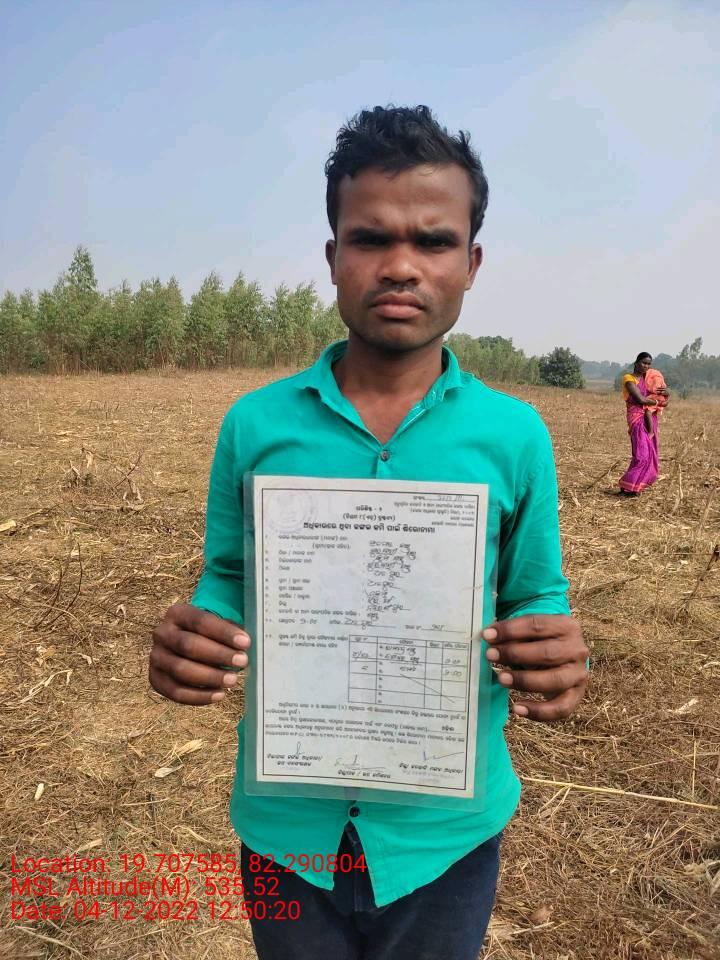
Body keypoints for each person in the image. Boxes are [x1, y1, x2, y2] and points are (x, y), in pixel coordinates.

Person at [149, 105, 589, 960]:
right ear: (332, 257)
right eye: (369, 238)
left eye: (433, 241)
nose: (400, 266)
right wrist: (196, 636)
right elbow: (229, 575)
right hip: (287, 831)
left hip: (445, 833)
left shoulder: (515, 436)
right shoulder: (255, 425)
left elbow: (536, 592)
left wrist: (555, 653)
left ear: (471, 262)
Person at [618, 352, 670, 495]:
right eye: (643, 363)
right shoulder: (628, 379)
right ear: (636, 363)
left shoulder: (648, 379)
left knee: (648, 454)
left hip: (650, 417)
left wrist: (667, 393)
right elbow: (640, 399)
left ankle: (632, 486)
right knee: (642, 455)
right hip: (636, 417)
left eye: (648, 364)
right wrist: (657, 402)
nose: (646, 366)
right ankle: (629, 484)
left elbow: (662, 398)